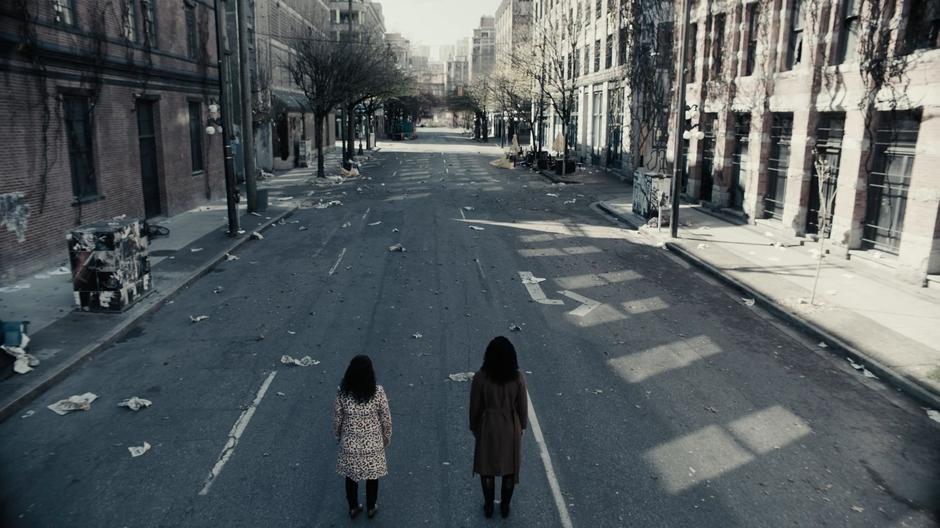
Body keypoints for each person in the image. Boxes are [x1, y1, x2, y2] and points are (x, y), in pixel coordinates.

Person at [469, 336, 528, 518]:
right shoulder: (518, 378)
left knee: (487, 467)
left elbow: (475, 406)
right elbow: (522, 407)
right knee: (509, 468)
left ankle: (488, 505)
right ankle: (505, 505)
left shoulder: (480, 377)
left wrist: (474, 427)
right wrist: (522, 426)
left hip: (488, 426)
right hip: (510, 426)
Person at [333, 355, 392, 519]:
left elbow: (338, 418)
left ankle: (353, 507)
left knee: (351, 476)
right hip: (372, 443)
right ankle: (371, 507)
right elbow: (386, 418)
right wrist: (386, 437)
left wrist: (339, 436)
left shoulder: (342, 393)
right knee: (372, 476)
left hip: (350, 442)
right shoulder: (378, 392)